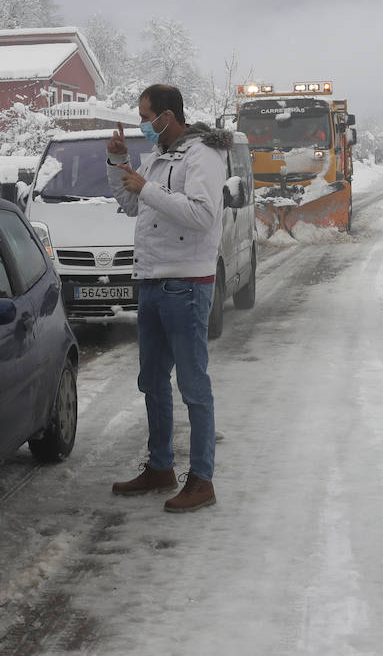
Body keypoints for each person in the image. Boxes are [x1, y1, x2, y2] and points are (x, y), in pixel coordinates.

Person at [107, 83, 231, 513]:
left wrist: (147, 189)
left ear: (168, 115)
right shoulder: (159, 156)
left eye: (147, 115)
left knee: (193, 386)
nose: (143, 123)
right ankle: (160, 466)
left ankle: (202, 479)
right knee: (152, 381)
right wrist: (118, 162)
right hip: (153, 281)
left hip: (187, 284)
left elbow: (201, 214)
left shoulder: (204, 156)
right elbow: (131, 204)